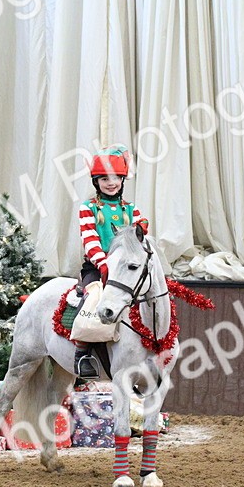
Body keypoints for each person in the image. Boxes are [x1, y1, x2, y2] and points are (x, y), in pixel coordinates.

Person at [74, 145, 149, 378]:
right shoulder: (88, 208)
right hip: (98, 267)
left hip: (124, 268)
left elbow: (138, 242)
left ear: (123, 179)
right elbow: (91, 241)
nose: (111, 183)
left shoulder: (131, 209)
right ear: (96, 182)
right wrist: (103, 264)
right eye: (105, 178)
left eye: (116, 177)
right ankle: (82, 352)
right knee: (93, 298)